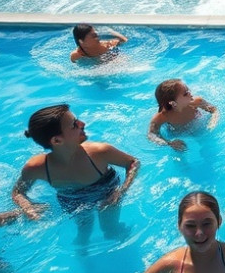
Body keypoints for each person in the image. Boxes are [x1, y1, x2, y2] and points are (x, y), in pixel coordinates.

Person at [12, 104, 140, 244]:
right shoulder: (36, 167)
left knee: (109, 228)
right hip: (72, 200)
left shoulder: (99, 152)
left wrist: (121, 191)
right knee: (84, 231)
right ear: (57, 140)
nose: (82, 124)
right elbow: (18, 192)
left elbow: (133, 163)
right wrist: (27, 207)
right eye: (74, 124)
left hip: (107, 191)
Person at [149, 79, 220, 151]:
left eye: (188, 89)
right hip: (177, 133)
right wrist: (169, 143)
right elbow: (152, 134)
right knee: (178, 150)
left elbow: (214, 110)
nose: (190, 93)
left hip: (196, 127)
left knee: (207, 146)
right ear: (173, 103)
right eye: (185, 93)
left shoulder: (196, 102)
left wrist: (213, 120)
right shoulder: (162, 116)